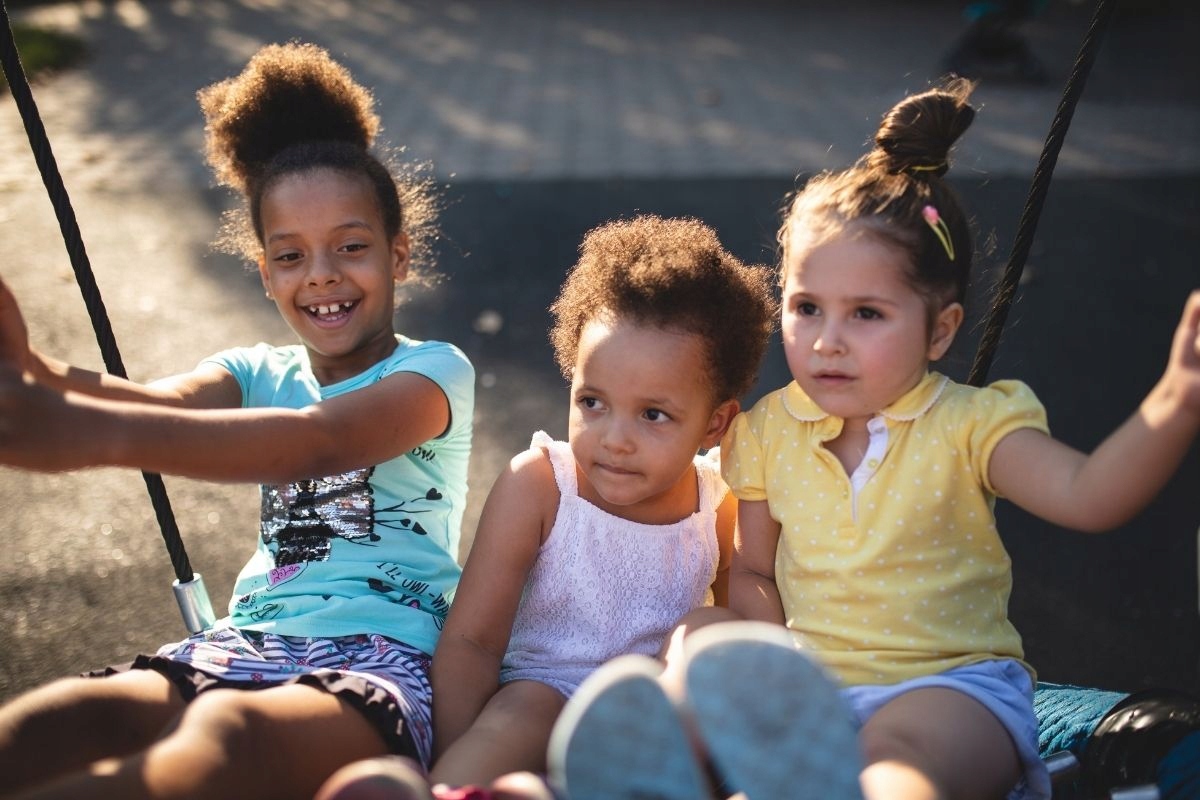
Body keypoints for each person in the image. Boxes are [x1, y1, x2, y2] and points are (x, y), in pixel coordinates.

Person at [0, 42, 474, 800]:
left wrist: (83, 433)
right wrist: (35, 371)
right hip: (246, 641)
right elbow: (156, 406)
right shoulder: (255, 371)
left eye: (351, 246)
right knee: (62, 720)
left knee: (228, 735)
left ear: (399, 255)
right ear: (265, 274)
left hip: (382, 658)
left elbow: (317, 442)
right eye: (290, 256)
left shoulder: (432, 373)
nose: (321, 274)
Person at [719, 77, 1200, 800]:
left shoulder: (969, 426)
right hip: (815, 693)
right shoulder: (766, 432)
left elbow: (1090, 494)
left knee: (894, 760)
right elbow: (752, 571)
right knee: (712, 647)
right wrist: (779, 656)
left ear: (940, 330)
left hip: (949, 693)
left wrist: (1179, 398)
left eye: (866, 314)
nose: (826, 341)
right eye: (806, 307)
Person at [324, 215, 775, 800]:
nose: (614, 439)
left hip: (644, 727)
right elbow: (473, 641)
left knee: (711, 630)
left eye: (653, 414)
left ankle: (664, 778)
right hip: (544, 695)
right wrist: (451, 748)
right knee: (523, 711)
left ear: (715, 423)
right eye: (593, 402)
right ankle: (450, 789)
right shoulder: (541, 484)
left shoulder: (717, 506)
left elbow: (747, 628)